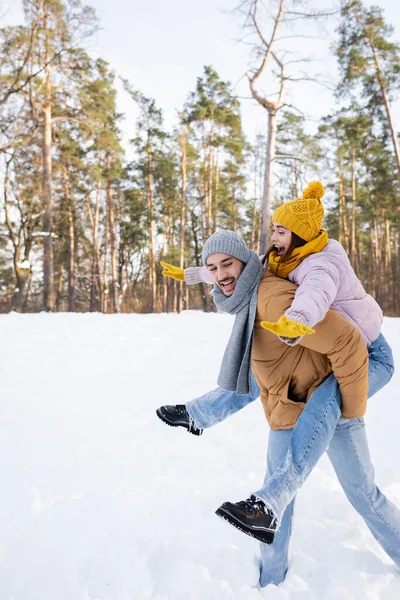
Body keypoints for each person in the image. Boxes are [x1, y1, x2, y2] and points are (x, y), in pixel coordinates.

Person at [157, 228, 398, 586]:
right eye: (212, 267)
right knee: (271, 506)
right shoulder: (246, 296)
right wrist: (192, 272)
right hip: (287, 402)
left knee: (364, 496)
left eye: (227, 264)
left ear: (246, 264)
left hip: (329, 398)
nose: (220, 274)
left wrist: (342, 410)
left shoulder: (271, 297)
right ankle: (271, 582)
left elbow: (347, 340)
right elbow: (258, 373)